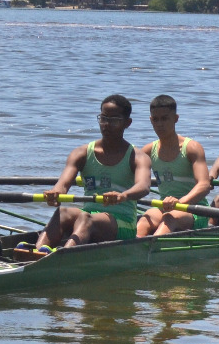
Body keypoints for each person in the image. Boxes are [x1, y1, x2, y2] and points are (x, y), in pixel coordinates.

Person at [37, 94, 152, 250]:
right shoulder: (81, 153)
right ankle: (37, 253)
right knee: (62, 212)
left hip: (122, 222)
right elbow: (63, 184)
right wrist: (55, 194)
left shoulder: (138, 157)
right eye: (103, 118)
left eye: (114, 120)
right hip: (89, 214)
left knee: (85, 218)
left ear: (127, 123)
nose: (106, 124)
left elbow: (143, 186)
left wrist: (123, 196)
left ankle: (62, 256)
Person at [137, 94, 214, 237]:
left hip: (195, 209)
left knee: (169, 219)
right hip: (164, 206)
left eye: (165, 118)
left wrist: (180, 202)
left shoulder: (192, 148)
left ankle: (151, 250)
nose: (159, 124)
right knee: (143, 221)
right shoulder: (147, 151)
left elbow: (204, 185)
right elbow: (130, 180)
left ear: (176, 119)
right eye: (155, 119)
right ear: (150, 120)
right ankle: (131, 252)